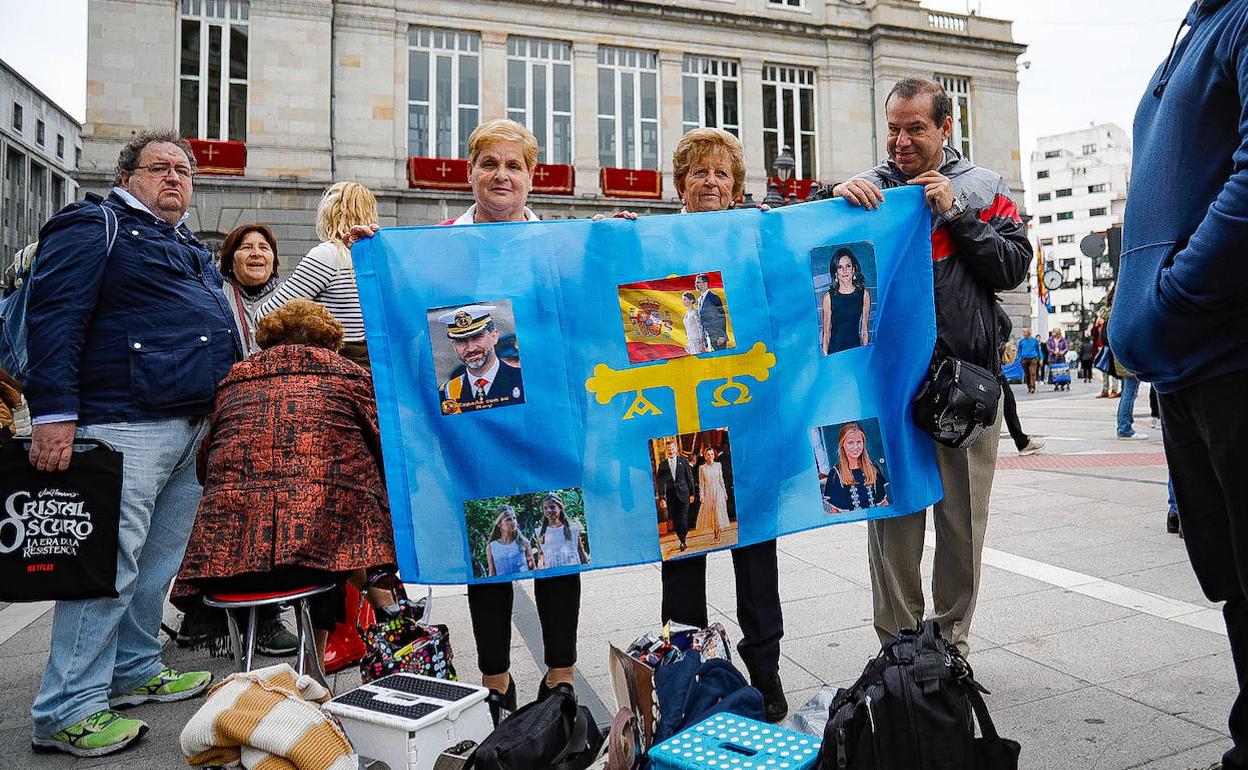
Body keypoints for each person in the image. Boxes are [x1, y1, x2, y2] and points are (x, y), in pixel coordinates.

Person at [349, 119, 580, 724]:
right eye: (489, 164)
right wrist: (378, 255)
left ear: (533, 177)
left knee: (559, 555)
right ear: (469, 172)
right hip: (473, 430)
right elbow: (409, 314)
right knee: (488, 549)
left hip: (545, 424)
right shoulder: (437, 243)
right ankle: (496, 678)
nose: (501, 176)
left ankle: (560, 674)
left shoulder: (556, 243)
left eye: (514, 166)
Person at [24, 130, 240, 757]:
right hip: (123, 418)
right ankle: (67, 708)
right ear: (127, 175)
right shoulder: (94, 225)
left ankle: (134, 668)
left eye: (185, 170)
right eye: (160, 168)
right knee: (107, 564)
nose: (176, 178)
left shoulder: (182, 242)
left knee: (157, 561)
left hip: (189, 421)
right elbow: (54, 317)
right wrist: (55, 414)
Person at [833, 77, 1031, 655]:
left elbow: (1013, 268)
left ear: (946, 127)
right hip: (888, 388)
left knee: (961, 524)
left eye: (915, 128)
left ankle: (950, 645)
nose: (900, 141)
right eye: (893, 128)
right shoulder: (866, 191)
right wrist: (835, 201)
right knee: (891, 523)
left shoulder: (984, 187)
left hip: (964, 386)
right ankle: (898, 647)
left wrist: (957, 214)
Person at [1112, 4, 1248, 766]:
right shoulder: (1198, 27)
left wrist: (1176, 295)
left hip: (1230, 355)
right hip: (1186, 367)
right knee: (1231, 579)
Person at [176, 299, 397, 661]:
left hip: (230, 567)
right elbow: (383, 447)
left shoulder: (234, 382)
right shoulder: (349, 376)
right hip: (320, 560)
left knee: (325, 524)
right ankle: (385, 613)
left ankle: (321, 661)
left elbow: (204, 468)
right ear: (331, 342)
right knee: (338, 521)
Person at [257, 182, 377, 371]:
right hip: (373, 369)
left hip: (333, 368)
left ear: (329, 212)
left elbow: (265, 317)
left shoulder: (328, 255)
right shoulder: (377, 256)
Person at [436, 304, 525, 413]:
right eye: (461, 341)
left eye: (477, 337)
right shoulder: (446, 393)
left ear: (494, 336)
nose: (471, 348)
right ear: (454, 346)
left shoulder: (523, 380)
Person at [218, 223, 281, 355]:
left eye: (264, 248)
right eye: (246, 247)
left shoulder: (288, 297)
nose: (257, 253)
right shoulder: (216, 296)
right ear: (230, 260)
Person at [822, 423, 890, 512]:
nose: (855, 447)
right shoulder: (835, 473)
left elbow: (883, 503)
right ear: (842, 444)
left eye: (859, 442)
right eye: (850, 442)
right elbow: (835, 512)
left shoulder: (873, 466)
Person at [821, 248, 872, 354]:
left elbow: (864, 330)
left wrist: (864, 355)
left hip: (855, 352)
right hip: (835, 353)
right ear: (836, 272)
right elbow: (826, 333)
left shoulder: (864, 294)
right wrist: (825, 360)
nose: (844, 271)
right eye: (840, 267)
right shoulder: (828, 297)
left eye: (848, 266)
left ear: (853, 269)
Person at [656, 439, 697, 551]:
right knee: (676, 520)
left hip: (684, 494)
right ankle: (682, 539)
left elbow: (690, 478)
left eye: (672, 449)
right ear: (666, 451)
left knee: (683, 518)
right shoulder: (663, 465)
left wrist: (692, 493)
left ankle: (683, 540)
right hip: (671, 498)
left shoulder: (683, 461)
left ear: (676, 449)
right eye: (669, 450)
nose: (671, 451)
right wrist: (662, 498)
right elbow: (660, 483)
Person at [535, 493, 589, 569]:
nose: (548, 510)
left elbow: (580, 551)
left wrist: (586, 570)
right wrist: (542, 571)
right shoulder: (540, 532)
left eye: (552, 507)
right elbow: (541, 555)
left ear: (560, 508)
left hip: (573, 569)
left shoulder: (573, 528)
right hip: (552, 572)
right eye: (545, 508)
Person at [486, 506, 534, 577]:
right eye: (508, 519)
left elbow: (532, 568)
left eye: (514, 518)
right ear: (499, 524)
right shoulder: (491, 547)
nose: (513, 522)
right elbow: (492, 573)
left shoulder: (524, 542)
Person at [697, 447, 731, 541]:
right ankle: (715, 532)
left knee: (718, 511)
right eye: (708, 454)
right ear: (705, 456)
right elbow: (701, 484)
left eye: (712, 454)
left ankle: (718, 534)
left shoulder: (718, 465)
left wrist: (724, 492)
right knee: (712, 513)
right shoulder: (702, 468)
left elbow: (721, 479)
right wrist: (702, 495)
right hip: (708, 492)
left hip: (718, 491)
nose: (710, 456)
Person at [695, 273, 729, 350]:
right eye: (696, 282)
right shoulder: (700, 299)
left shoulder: (713, 298)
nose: (696, 285)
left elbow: (721, 317)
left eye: (697, 282)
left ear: (705, 283)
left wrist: (721, 336)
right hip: (709, 338)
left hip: (718, 338)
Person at [1016, 327, 1043, 394]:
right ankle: (1029, 386)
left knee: (1032, 372)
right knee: (1027, 374)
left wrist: (1041, 358)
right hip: (1024, 359)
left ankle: (1032, 387)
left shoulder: (1034, 340)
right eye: (1023, 332)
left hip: (1033, 358)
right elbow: (1019, 350)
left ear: (1028, 332)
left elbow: (1038, 350)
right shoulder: (1021, 341)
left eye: (1025, 332)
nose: (1023, 333)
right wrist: (1020, 358)